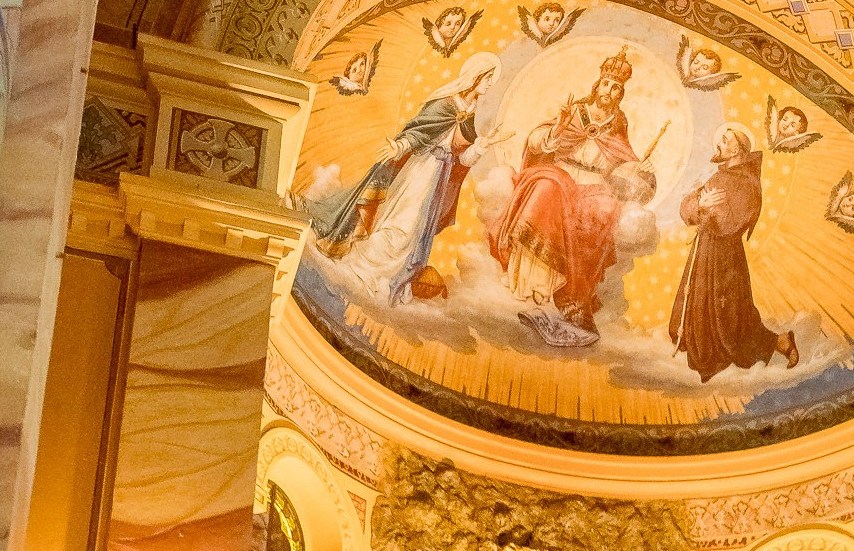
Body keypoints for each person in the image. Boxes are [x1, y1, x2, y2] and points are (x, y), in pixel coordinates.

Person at [488, 49, 654, 334]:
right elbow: (537, 141)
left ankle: (571, 298)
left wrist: (642, 168)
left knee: (604, 210)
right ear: (597, 85)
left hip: (595, 185)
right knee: (545, 188)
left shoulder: (618, 123)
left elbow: (625, 158)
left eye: (617, 88)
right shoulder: (576, 111)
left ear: (620, 94)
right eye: (606, 84)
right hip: (560, 171)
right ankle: (532, 289)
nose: (610, 91)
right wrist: (558, 130)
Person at [305, 55, 496, 301]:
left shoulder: (470, 114)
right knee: (402, 224)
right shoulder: (445, 103)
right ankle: (363, 268)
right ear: (475, 76)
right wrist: (401, 145)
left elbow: (462, 160)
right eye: (488, 78)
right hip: (419, 170)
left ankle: (390, 278)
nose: (490, 83)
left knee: (415, 232)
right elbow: (418, 131)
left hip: (438, 178)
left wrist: (482, 145)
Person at [668, 125, 797, 381]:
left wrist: (708, 212)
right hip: (706, 248)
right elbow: (689, 205)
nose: (719, 145)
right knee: (699, 298)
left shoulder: (747, 182)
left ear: (737, 148)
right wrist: (700, 206)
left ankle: (780, 342)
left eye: (724, 141)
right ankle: (705, 348)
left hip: (726, 256)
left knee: (731, 312)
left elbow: (737, 219)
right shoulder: (719, 176)